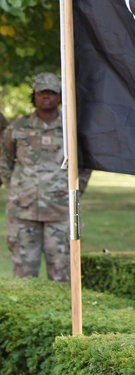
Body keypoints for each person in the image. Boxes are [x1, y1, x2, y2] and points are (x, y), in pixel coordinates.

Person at [0, 72, 91, 282]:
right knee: (23, 275)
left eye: (51, 93)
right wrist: (15, 188)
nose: (46, 97)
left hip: (60, 211)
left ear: (60, 96)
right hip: (23, 211)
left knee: (62, 274)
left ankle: (63, 314)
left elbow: (85, 165)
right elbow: (4, 160)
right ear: (35, 96)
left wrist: (76, 191)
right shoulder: (17, 128)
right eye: (42, 93)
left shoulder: (72, 129)